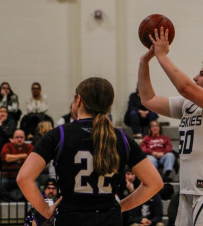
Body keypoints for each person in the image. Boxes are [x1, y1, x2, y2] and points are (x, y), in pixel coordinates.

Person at [17, 77, 163, 226]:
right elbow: (155, 183)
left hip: (70, 218)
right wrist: (121, 206)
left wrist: (46, 211)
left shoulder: (59, 134)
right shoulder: (123, 139)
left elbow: (24, 178)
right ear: (109, 105)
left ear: (79, 100)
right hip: (109, 219)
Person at [138, 27, 203, 226]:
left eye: (202, 74)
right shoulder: (188, 104)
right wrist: (144, 62)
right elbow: (148, 99)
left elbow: (185, 87)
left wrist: (162, 55)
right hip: (188, 188)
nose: (196, 77)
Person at [1, 129, 34, 201]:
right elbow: (5, 158)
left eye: (21, 137)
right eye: (17, 137)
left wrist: (13, 158)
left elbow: (30, 160)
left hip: (25, 178)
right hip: (8, 177)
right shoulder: (7, 146)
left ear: (25, 139)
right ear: (13, 139)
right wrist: (23, 156)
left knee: (36, 186)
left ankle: (21, 202)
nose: (19, 139)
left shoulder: (29, 147)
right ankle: (11, 202)